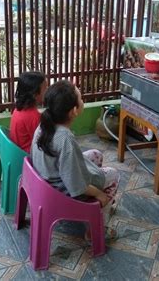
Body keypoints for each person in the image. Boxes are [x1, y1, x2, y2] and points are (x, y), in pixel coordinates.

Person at [31, 80, 120, 238]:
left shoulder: (45, 124)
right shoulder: (64, 139)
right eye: (81, 98)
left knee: (96, 155)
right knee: (113, 175)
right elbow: (76, 184)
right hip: (62, 192)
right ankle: (96, 230)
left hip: (48, 181)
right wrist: (99, 194)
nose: (82, 101)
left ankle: (100, 207)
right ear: (74, 111)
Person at [10, 71, 47, 153]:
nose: (47, 91)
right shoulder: (33, 116)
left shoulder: (18, 109)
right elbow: (43, 142)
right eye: (45, 89)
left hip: (17, 151)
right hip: (28, 155)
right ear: (34, 94)